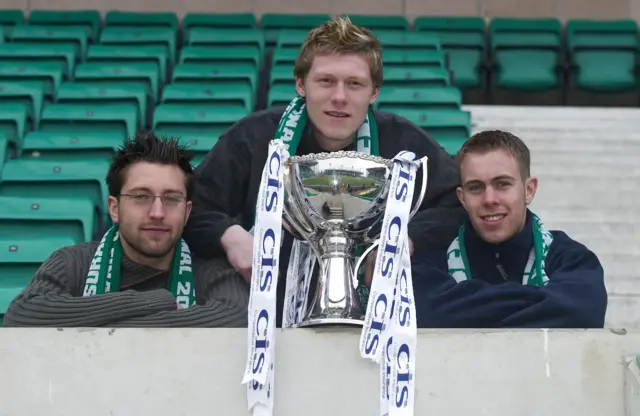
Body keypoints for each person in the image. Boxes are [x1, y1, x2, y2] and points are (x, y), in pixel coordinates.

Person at [182, 16, 467, 326]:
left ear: (373, 93)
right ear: (301, 84)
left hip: (376, 310)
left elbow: (454, 202)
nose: (340, 97)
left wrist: (404, 239)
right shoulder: (253, 139)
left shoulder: (405, 145)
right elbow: (192, 205)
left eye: (354, 84)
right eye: (326, 81)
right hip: (267, 312)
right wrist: (229, 236)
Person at [2, 133, 249, 327]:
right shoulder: (73, 263)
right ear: (114, 208)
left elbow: (236, 320)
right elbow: (24, 315)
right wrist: (158, 301)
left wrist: (93, 320)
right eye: (141, 196)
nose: (157, 212)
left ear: (187, 212)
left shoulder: (212, 270)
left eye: (171, 199)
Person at [411, 130, 608, 328]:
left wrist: (458, 308)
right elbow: (420, 310)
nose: (489, 199)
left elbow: (583, 312)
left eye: (502, 184)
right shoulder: (429, 261)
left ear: (529, 190)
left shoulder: (572, 258)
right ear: (462, 198)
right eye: (476, 188)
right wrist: (543, 306)